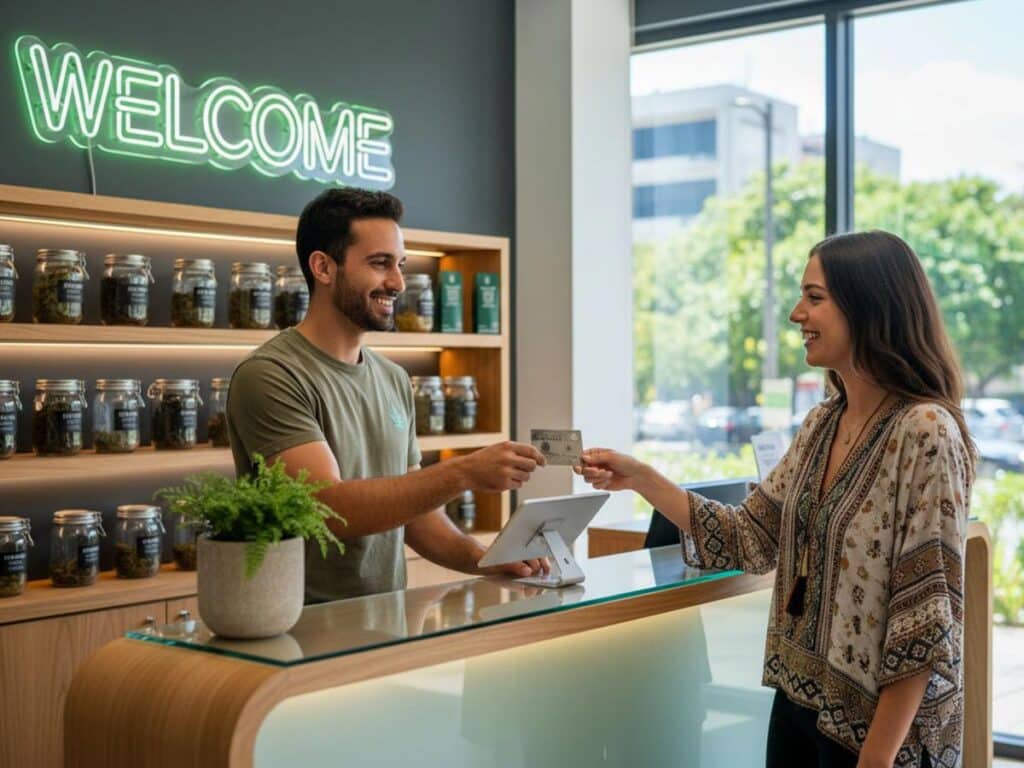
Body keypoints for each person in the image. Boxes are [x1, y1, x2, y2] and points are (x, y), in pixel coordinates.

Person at [577, 231, 974, 768]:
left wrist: (876, 760)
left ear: (869, 306)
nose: (796, 314)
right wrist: (641, 477)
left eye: (814, 298)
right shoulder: (821, 423)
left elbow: (923, 622)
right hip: (796, 708)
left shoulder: (925, 430)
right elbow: (751, 538)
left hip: (879, 736)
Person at [227, 188, 547, 602]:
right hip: (297, 627)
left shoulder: (394, 378)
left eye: (400, 265)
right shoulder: (271, 376)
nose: (397, 283)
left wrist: (484, 558)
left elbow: (414, 517)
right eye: (380, 264)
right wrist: (463, 473)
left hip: (384, 623)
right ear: (323, 267)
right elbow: (327, 507)